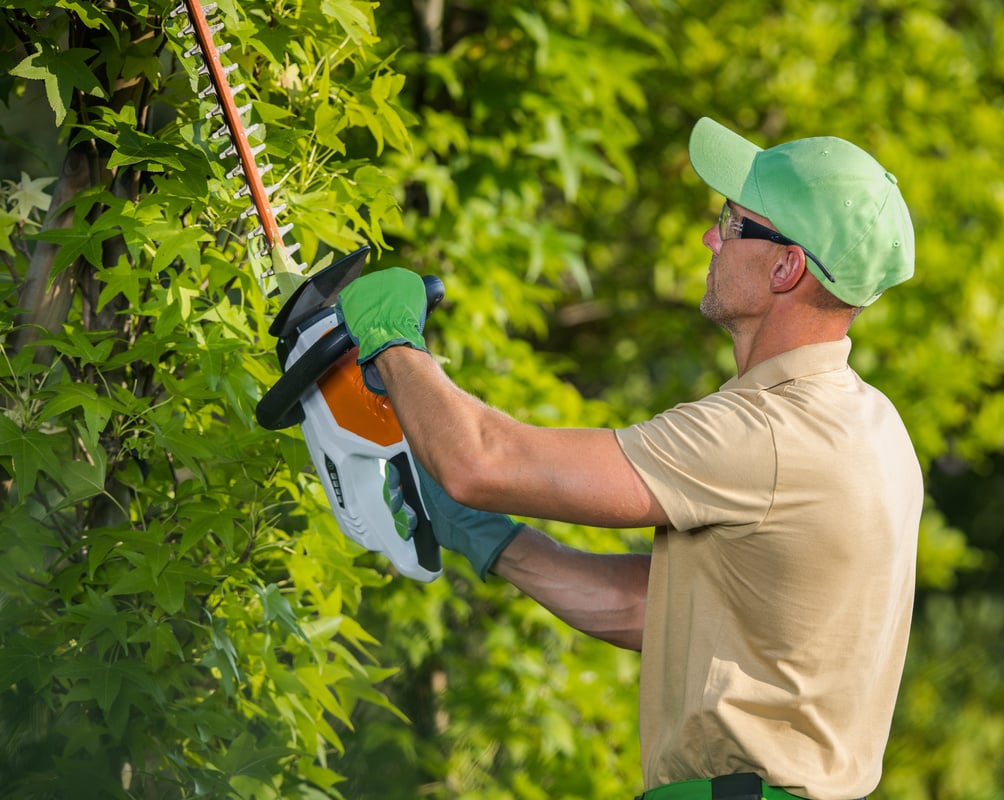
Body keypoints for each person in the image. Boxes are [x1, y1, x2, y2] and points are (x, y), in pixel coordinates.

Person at [337, 117, 923, 800]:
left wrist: (392, 342)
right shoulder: (873, 426)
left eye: (732, 224)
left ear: (786, 265)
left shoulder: (765, 435)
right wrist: (486, 535)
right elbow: (660, 615)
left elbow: (481, 460)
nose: (711, 237)